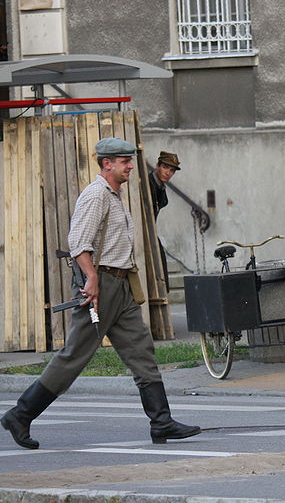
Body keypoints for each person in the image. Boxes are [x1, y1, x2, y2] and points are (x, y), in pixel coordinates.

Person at [1, 138, 200, 450]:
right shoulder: (96, 195)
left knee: (141, 351)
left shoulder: (114, 195)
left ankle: (161, 422)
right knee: (73, 357)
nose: (131, 166)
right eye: (125, 161)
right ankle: (20, 414)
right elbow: (78, 241)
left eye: (130, 161)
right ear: (107, 163)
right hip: (101, 285)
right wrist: (92, 278)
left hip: (120, 286)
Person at [148, 151, 180, 291]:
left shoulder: (160, 186)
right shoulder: (150, 183)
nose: (168, 173)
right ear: (157, 166)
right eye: (165, 168)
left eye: (172, 170)